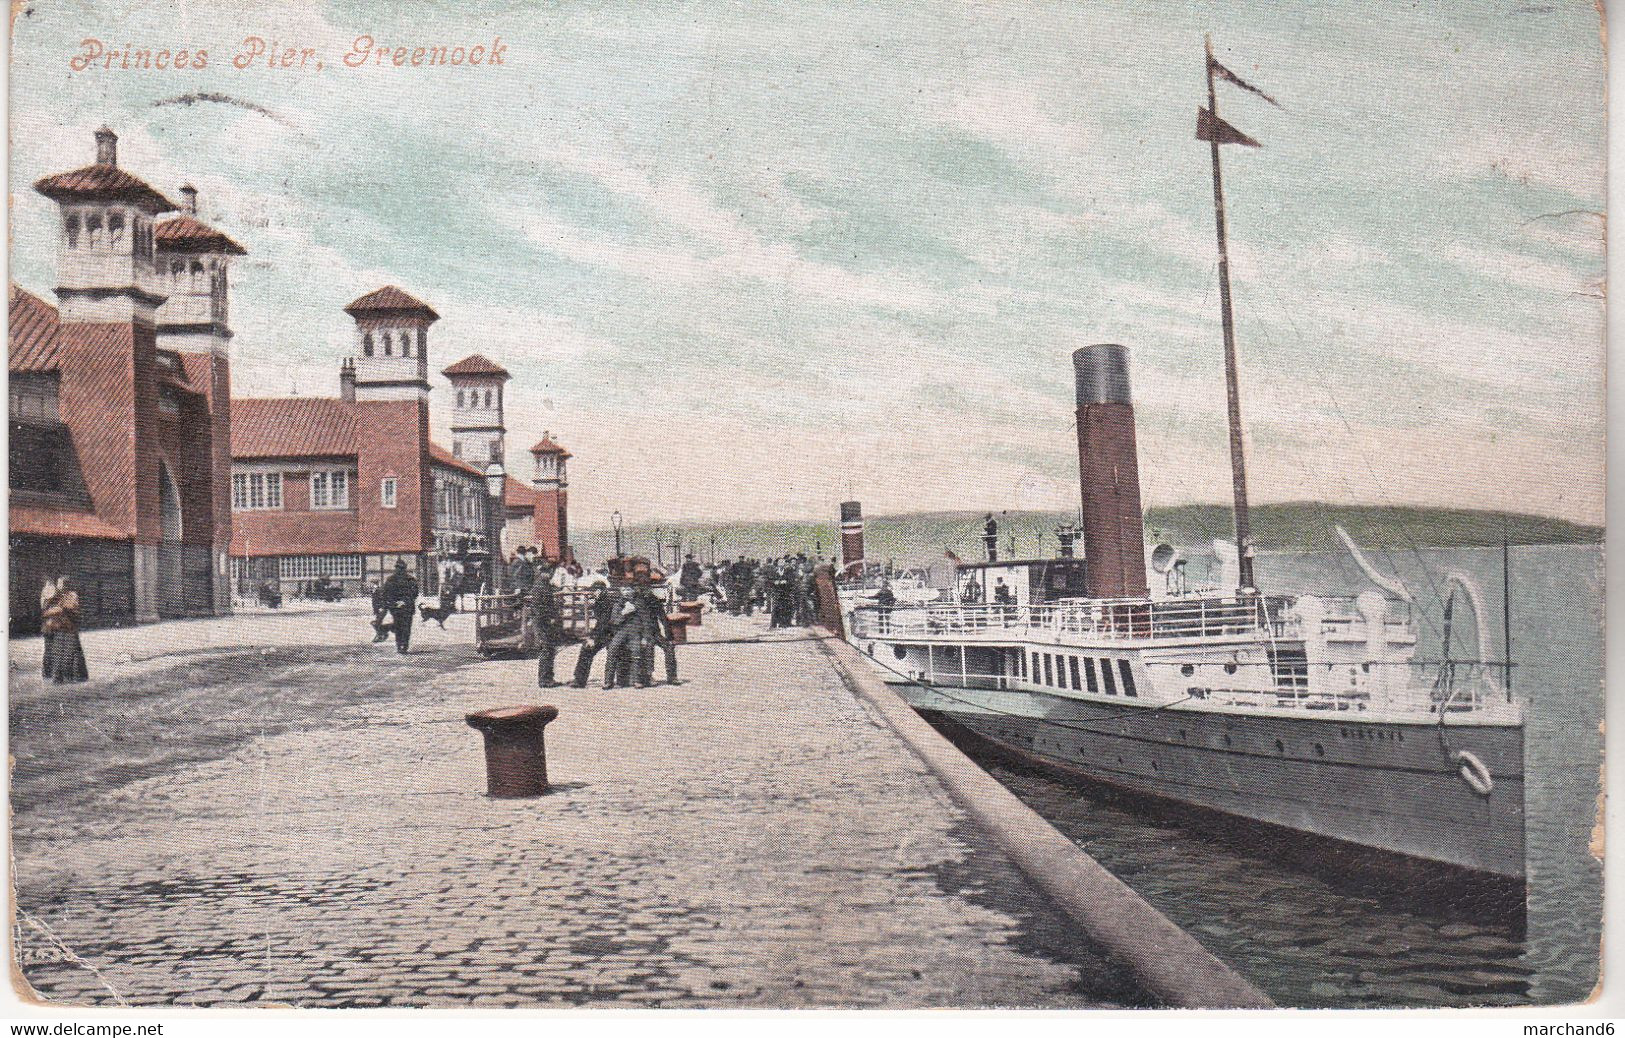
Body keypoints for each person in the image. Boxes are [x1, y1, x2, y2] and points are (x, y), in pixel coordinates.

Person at [629, 577, 679, 686]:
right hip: (640, 634)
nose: (643, 589)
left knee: (669, 647)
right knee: (648, 647)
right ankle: (648, 676)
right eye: (639, 587)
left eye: (646, 587)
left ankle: (672, 676)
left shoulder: (653, 599)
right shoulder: (633, 601)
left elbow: (663, 618)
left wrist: (669, 637)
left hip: (655, 632)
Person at [571, 585, 622, 688]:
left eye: (594, 591)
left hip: (610, 633)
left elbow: (603, 623)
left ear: (599, 590)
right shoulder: (602, 600)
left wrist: (593, 638)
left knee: (587, 649)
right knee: (587, 648)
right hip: (608, 632)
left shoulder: (605, 602)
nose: (592, 594)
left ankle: (579, 680)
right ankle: (579, 679)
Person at [41, 575, 88, 684]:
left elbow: (69, 608)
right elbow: (46, 609)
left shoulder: (71, 595)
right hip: (58, 628)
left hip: (68, 628)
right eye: (59, 583)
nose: (59, 586)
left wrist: (56, 609)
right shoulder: (55, 595)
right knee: (60, 652)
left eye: (61, 583)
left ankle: (69, 676)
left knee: (69, 653)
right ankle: (59, 676)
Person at [380, 560, 419, 654]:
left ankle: (401, 645)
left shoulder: (407, 579)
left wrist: (399, 602)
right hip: (402, 607)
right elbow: (386, 593)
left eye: (401, 568)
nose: (400, 570)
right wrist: (400, 602)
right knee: (404, 627)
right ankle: (402, 645)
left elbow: (414, 593)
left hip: (402, 608)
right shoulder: (407, 579)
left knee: (401, 627)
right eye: (399, 568)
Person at [533, 566, 563, 687]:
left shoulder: (543, 584)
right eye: (548, 573)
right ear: (542, 573)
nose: (550, 575)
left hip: (544, 622)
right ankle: (544, 680)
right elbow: (540, 607)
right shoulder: (541, 586)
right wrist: (549, 618)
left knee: (550, 650)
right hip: (543, 622)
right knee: (547, 650)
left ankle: (548, 678)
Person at [38, 575, 58, 678]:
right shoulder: (48, 597)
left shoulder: (43, 598)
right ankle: (48, 672)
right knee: (51, 649)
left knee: (48, 649)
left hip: (47, 626)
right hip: (51, 626)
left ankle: (47, 672)